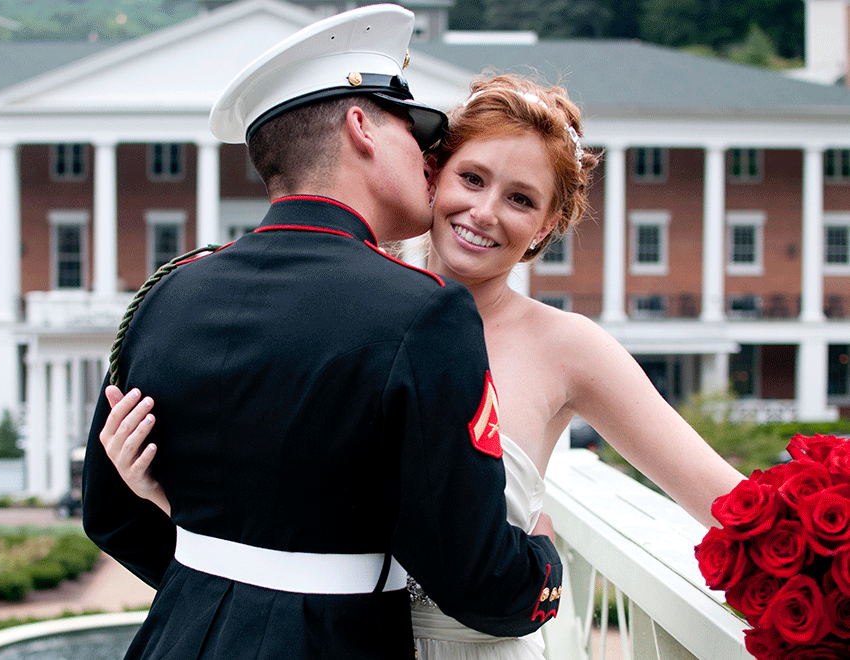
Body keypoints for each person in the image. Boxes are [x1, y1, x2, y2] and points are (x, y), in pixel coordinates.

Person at [98, 73, 747, 660]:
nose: (485, 211)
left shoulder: (570, 346)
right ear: (433, 175)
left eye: (521, 199)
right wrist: (168, 501)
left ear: (547, 226)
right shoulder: (351, 308)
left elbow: (722, 499)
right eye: (472, 179)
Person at [82, 5, 563, 660]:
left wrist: (222, 583)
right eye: (413, 129)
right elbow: (476, 579)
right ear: (362, 125)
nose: (428, 158)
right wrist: (545, 565)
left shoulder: (168, 294)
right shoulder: (423, 312)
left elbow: (110, 514)